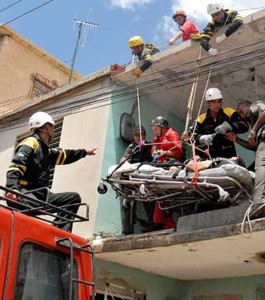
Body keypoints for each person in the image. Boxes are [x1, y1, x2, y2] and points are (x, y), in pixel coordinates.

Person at [5, 111, 97, 232]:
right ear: (47, 127)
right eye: (52, 127)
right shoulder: (31, 142)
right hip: (24, 194)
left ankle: (57, 233)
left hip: (39, 196)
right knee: (31, 206)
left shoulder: (46, 151)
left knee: (73, 199)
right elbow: (16, 165)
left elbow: (65, 155)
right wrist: (13, 188)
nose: (53, 130)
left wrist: (85, 152)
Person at [187, 88, 249, 159]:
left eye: (219, 101)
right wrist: (202, 138)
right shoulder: (201, 119)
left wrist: (228, 127)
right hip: (210, 158)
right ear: (208, 102)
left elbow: (244, 125)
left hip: (229, 155)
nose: (217, 105)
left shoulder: (229, 112)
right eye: (213, 102)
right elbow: (189, 137)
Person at [231, 100, 265, 218]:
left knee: (261, 167)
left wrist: (254, 130)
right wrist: (236, 139)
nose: (242, 115)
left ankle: (259, 202)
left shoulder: (254, 106)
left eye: (241, 112)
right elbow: (254, 146)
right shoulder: (255, 121)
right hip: (262, 142)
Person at [120, 125, 153, 235]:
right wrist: (125, 160)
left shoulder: (150, 146)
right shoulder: (132, 147)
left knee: (148, 200)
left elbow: (154, 158)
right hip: (131, 178)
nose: (139, 137)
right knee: (128, 202)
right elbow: (123, 159)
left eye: (141, 134)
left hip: (144, 177)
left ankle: (152, 225)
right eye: (136, 135)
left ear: (145, 135)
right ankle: (127, 230)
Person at [151, 116, 183, 230]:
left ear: (162, 127)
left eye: (156, 129)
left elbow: (178, 152)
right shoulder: (157, 138)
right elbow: (153, 148)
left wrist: (164, 153)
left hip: (171, 164)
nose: (154, 132)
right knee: (158, 196)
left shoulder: (172, 134)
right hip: (160, 166)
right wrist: (154, 151)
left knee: (170, 194)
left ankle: (171, 221)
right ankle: (159, 223)